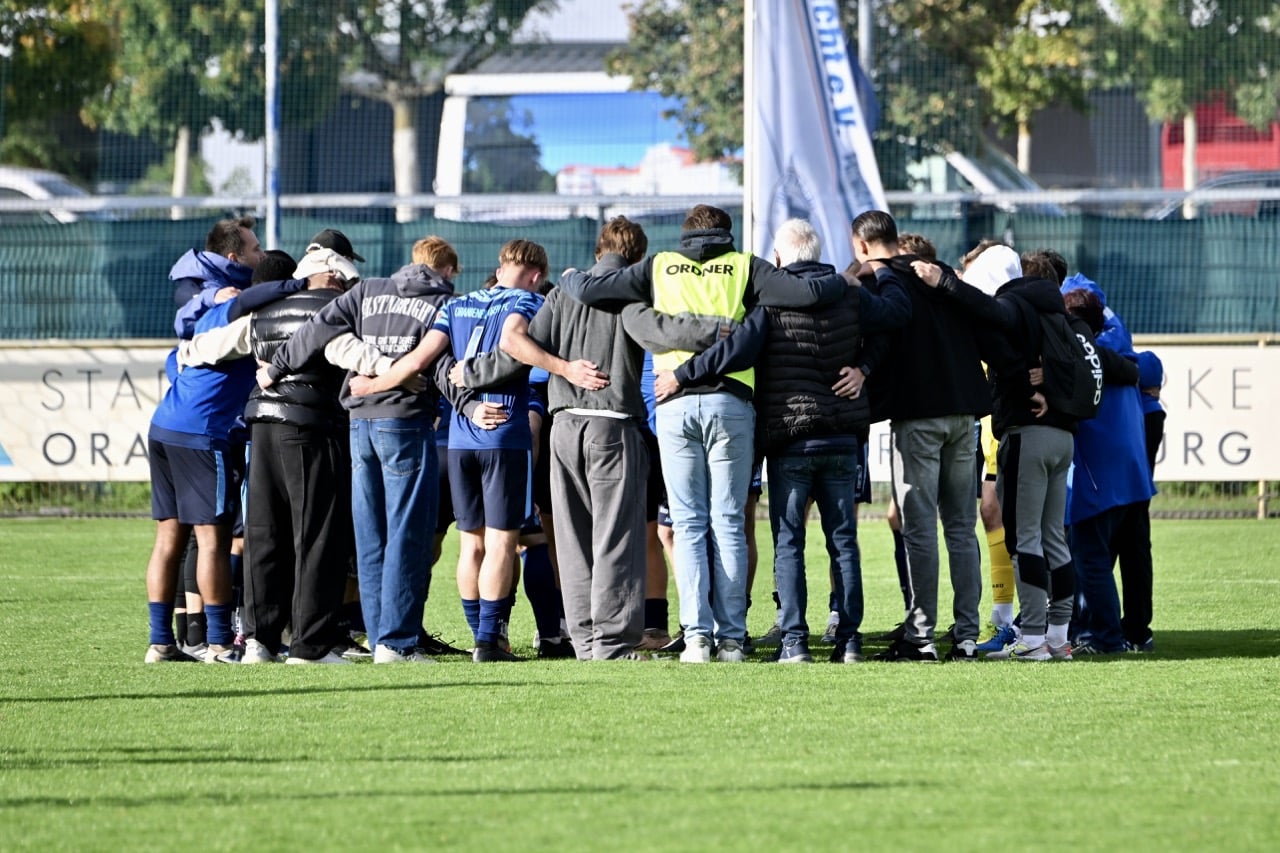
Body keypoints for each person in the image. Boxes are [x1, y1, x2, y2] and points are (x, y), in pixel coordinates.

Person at [556, 204, 848, 664]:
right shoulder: (745, 266)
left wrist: (571, 275)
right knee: (730, 521)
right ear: (725, 234)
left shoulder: (658, 267)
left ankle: (697, 639)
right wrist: (843, 279)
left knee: (688, 524)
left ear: (685, 236)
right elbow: (808, 292)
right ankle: (731, 638)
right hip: (730, 403)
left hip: (673, 404)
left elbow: (593, 291)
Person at [262, 236, 461, 664]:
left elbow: (316, 329)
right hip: (405, 420)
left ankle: (378, 638)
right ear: (447, 270)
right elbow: (443, 367)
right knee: (408, 533)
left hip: (359, 421)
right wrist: (470, 407)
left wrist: (277, 366)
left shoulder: (368, 290)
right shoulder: (445, 303)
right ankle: (397, 641)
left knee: (369, 535)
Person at [349, 239, 550, 663]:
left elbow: (419, 359)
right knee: (502, 543)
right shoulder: (529, 302)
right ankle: (488, 641)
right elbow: (515, 343)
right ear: (536, 275)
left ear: (499, 266)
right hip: (503, 433)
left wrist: (370, 385)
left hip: (459, 440)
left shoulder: (459, 303)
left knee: (470, 544)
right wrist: (564, 366)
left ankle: (480, 632)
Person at [912, 245, 1083, 661]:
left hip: (1028, 434)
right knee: (1052, 539)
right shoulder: (1055, 311)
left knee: (1025, 539)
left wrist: (945, 283)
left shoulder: (1015, 304)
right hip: (1062, 434)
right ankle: (1058, 637)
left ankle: (1032, 637)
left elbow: (997, 319)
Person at [752, 219, 912, 664]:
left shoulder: (770, 297)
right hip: (842, 435)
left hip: (791, 436)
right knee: (843, 540)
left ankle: (794, 642)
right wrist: (865, 366)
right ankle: (850, 641)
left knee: (789, 541)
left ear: (780, 257)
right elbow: (896, 317)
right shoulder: (849, 292)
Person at [855, 212, 989, 663]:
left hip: (918, 417)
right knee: (960, 528)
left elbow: (875, 339)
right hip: (965, 411)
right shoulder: (943, 274)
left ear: (862, 244)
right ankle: (967, 635)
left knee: (919, 530)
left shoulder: (881, 280)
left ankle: (922, 636)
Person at [1059, 276, 1150, 655]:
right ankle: (1134, 632)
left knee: (1090, 556)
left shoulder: (1079, 353)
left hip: (1098, 472)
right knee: (1132, 556)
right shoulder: (1119, 345)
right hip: (1132, 473)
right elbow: (1137, 369)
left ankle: (1104, 637)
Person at [1115, 349, 1165, 652]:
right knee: (1136, 563)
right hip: (1140, 495)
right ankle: (1138, 629)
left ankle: (1097, 625)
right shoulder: (1154, 411)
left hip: (1116, 494)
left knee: (1097, 560)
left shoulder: (1131, 409)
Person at [171, 216, 266, 339]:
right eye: (256, 249)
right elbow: (183, 323)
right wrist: (211, 297)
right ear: (234, 259)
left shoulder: (232, 278)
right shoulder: (211, 289)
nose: (263, 254)